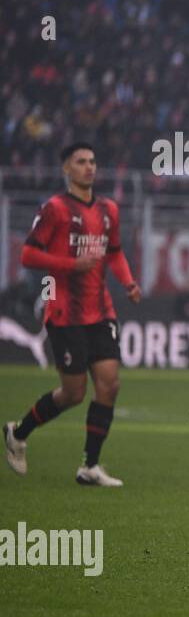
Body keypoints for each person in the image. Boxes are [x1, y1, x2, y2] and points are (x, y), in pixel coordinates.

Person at [4, 143, 142, 485]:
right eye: (81, 162)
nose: (89, 167)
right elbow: (29, 256)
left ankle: (89, 465)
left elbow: (115, 253)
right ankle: (18, 433)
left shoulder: (109, 209)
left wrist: (128, 282)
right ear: (67, 168)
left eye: (93, 161)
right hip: (64, 312)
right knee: (73, 393)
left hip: (101, 309)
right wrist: (71, 264)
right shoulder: (55, 209)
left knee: (109, 385)